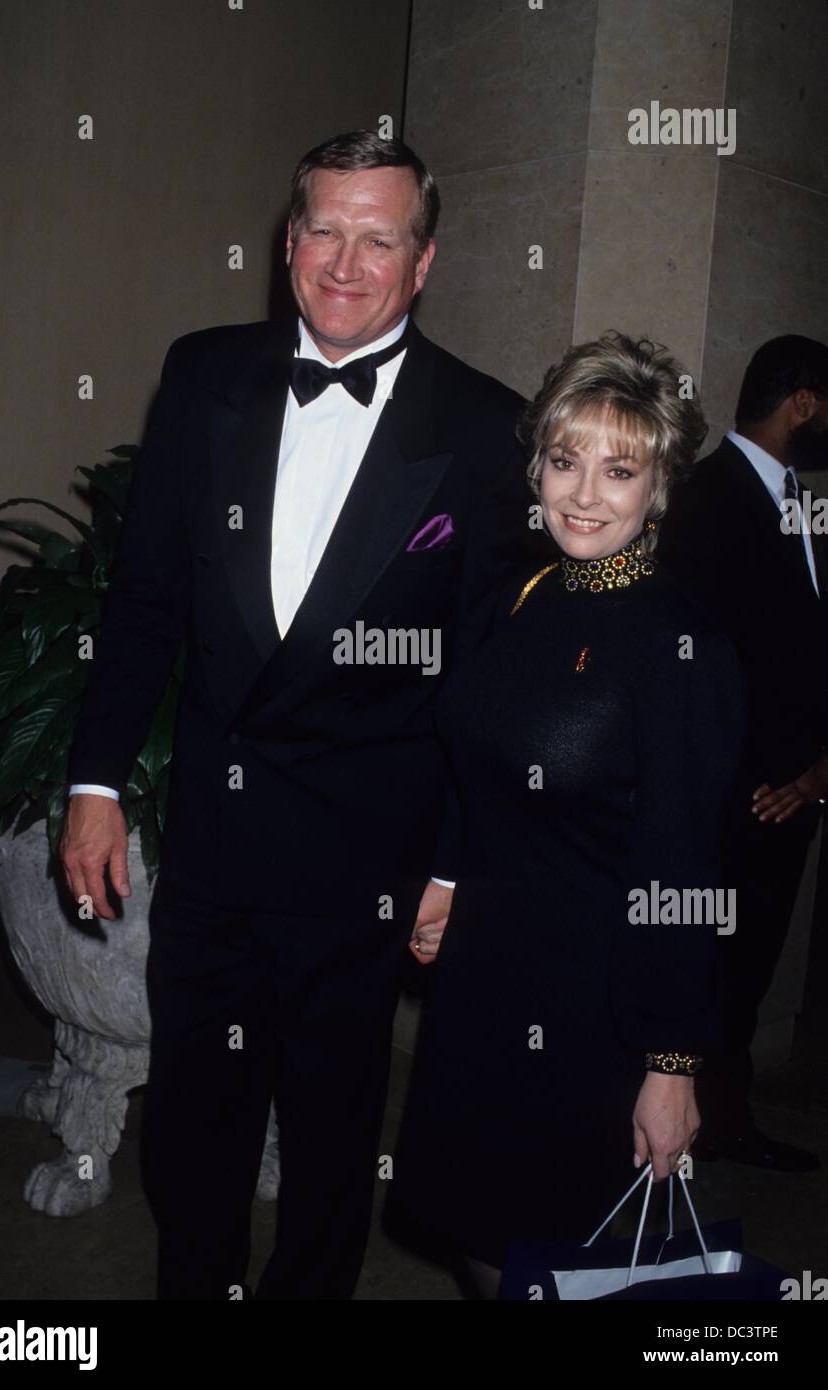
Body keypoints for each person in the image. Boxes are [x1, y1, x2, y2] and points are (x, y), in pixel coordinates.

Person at [59, 130, 537, 1300]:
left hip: (365, 854)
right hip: (217, 847)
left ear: (423, 262)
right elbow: (144, 603)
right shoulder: (206, 372)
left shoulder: (484, 426)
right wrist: (95, 783)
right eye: (323, 228)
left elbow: (487, 671)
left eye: (380, 236)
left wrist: (456, 858)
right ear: (287, 243)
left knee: (330, 1144)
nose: (345, 260)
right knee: (194, 1125)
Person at [386, 332, 745, 1295]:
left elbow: (686, 874)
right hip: (484, 980)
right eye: (564, 459)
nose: (584, 494)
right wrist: (448, 876)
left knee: (552, 1258)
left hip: (595, 1003)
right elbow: (476, 756)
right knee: (474, 1227)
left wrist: (673, 1065)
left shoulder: (682, 647)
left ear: (659, 487)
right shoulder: (527, 593)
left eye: (618, 469)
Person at [659, 335, 828, 1172]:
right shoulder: (708, 498)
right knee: (714, 970)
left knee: (749, 967)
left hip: (791, 795)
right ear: (802, 400)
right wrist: (771, 775)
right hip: (738, 801)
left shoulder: (800, 501)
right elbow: (697, 659)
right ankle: (702, 1127)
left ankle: (724, 1121)